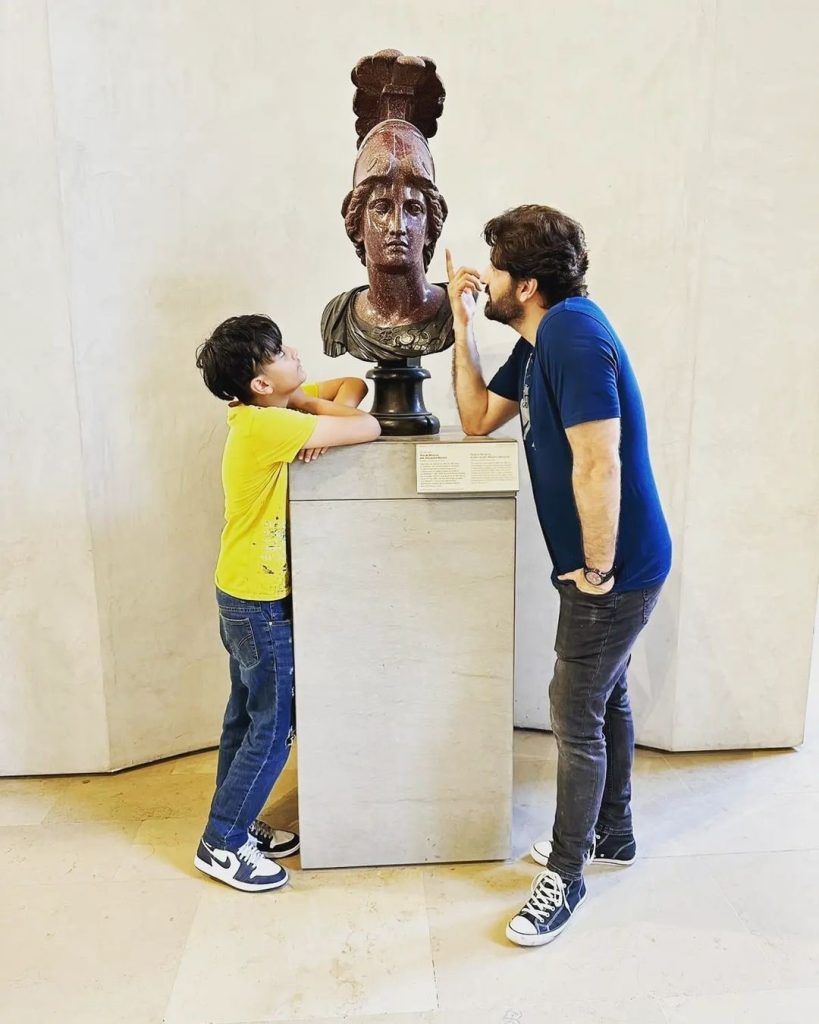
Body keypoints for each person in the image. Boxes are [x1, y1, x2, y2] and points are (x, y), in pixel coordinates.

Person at [447, 205, 671, 946]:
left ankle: (564, 874)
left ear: (528, 283)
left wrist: (595, 569)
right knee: (600, 697)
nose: (489, 279)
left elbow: (598, 459)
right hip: (607, 565)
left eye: (497, 270)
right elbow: (478, 417)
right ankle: (614, 833)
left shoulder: (571, 333)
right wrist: (461, 323)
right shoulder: (538, 339)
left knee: (572, 710)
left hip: (617, 566)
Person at [193, 313, 380, 892]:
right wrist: (307, 422)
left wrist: (302, 406)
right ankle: (221, 843)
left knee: (244, 717)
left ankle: (238, 823)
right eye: (279, 352)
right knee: (275, 728)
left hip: (239, 589)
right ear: (259, 384)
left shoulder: (262, 414)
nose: (294, 351)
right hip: (259, 601)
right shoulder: (266, 427)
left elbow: (355, 387)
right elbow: (369, 425)